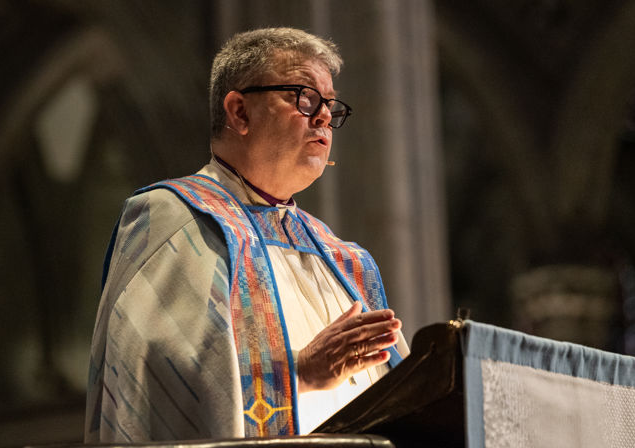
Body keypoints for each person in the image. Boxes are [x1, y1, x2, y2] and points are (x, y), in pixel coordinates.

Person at [85, 27, 410, 443]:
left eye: (330, 105)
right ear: (239, 112)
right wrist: (298, 374)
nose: (324, 116)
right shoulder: (175, 219)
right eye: (304, 97)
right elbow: (154, 386)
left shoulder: (343, 260)